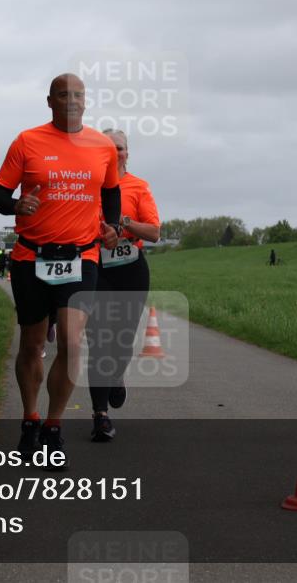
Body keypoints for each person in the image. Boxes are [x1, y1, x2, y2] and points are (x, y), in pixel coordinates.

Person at [0, 73, 121, 470]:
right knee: (31, 344)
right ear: (50, 101)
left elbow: (111, 190)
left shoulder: (102, 146)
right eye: (63, 95)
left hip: (83, 257)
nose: (71, 102)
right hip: (32, 257)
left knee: (71, 339)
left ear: (86, 101)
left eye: (78, 95)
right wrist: (16, 207)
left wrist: (112, 225)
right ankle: (30, 418)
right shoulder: (27, 141)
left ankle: (53, 427)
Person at [86, 129, 161, 442]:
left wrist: (124, 224)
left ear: (127, 153)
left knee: (122, 338)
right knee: (99, 340)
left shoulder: (138, 186)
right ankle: (100, 415)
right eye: (109, 147)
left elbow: (155, 232)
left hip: (131, 270)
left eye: (120, 147)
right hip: (96, 268)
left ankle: (116, 374)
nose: (115, 152)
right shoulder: (88, 187)